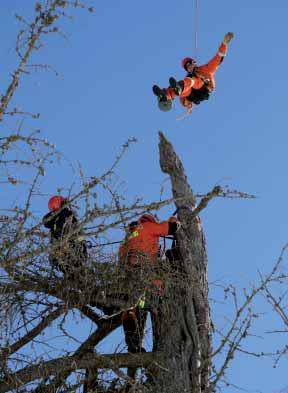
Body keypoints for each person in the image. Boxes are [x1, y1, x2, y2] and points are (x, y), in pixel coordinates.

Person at [119, 213, 180, 382]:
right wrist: (173, 221)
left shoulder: (126, 241)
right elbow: (171, 229)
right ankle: (158, 346)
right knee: (155, 308)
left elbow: (121, 260)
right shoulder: (148, 227)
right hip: (148, 278)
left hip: (129, 281)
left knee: (131, 311)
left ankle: (133, 344)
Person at [152, 32, 234, 112]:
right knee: (185, 84)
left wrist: (224, 43)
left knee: (192, 81)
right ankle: (166, 96)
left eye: (190, 64)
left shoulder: (205, 69)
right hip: (192, 94)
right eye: (187, 67)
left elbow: (218, 58)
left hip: (204, 89)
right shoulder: (188, 78)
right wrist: (185, 104)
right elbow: (183, 95)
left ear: (194, 63)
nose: (189, 67)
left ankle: (177, 89)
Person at [42, 195, 87, 279]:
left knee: (70, 269)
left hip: (66, 250)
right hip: (67, 250)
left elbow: (78, 234)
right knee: (73, 270)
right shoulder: (61, 217)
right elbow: (45, 221)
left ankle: (74, 279)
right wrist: (83, 247)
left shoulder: (65, 216)